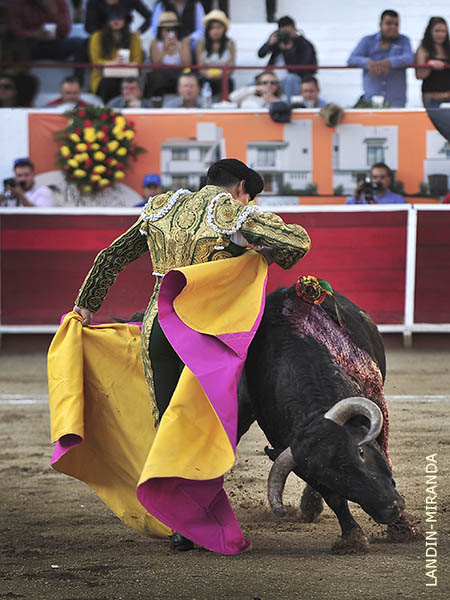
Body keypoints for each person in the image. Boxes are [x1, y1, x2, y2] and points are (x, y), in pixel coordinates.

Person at [71, 157, 311, 553]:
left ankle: (180, 526)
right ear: (240, 188)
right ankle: (201, 516)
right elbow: (297, 241)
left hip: (158, 331)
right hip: (205, 336)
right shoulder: (231, 211)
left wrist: (85, 305)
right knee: (203, 427)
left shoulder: (161, 206)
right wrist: (265, 253)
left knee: (168, 425)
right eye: (247, 196)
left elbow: (110, 257)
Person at [8, 0, 87, 85]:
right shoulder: (16, 3)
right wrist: (34, 35)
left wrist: (53, 11)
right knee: (18, 46)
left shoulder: (59, 2)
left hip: (53, 44)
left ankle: (77, 84)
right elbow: (14, 31)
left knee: (79, 43)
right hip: (28, 46)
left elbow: (65, 30)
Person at [347, 9, 414, 108]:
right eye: (389, 23)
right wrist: (369, 63)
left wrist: (388, 63)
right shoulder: (367, 40)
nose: (393, 27)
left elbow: (409, 58)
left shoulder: (404, 40)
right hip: (371, 100)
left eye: (396, 24)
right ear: (380, 25)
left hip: (396, 101)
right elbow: (352, 59)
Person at [89, 6, 143, 104]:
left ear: (125, 20)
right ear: (107, 20)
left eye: (119, 17)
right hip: (103, 76)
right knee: (108, 83)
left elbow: (137, 60)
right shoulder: (97, 37)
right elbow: (95, 61)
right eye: (112, 17)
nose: (116, 21)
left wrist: (127, 65)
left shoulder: (134, 38)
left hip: (128, 74)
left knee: (131, 84)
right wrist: (112, 63)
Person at [257, 15, 317, 102]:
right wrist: (269, 44)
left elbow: (301, 69)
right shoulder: (278, 40)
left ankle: (288, 106)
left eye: (288, 31)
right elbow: (260, 54)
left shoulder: (304, 45)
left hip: (294, 79)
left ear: (294, 29)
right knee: (257, 81)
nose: (286, 34)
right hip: (273, 79)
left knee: (290, 79)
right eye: (283, 31)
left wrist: (288, 50)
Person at [145, 11, 191, 99]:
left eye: (172, 30)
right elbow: (155, 65)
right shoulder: (155, 43)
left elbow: (187, 65)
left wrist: (177, 46)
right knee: (155, 77)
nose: (169, 33)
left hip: (178, 72)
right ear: (161, 31)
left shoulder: (183, 43)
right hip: (161, 73)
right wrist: (164, 48)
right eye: (166, 30)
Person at [196, 9, 236, 98]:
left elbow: (231, 66)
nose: (215, 31)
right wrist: (209, 74)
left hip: (224, 77)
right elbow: (200, 67)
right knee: (200, 82)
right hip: (206, 78)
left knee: (229, 82)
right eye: (212, 28)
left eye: (218, 27)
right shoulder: (201, 43)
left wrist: (221, 74)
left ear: (224, 29)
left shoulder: (230, 43)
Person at [415, 17, 450, 108]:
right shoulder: (423, 49)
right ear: (430, 31)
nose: (440, 34)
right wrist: (429, 65)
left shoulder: (448, 48)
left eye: (443, 31)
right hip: (432, 98)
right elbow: (419, 75)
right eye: (437, 31)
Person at [85, 0, 152, 35]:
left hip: (124, 39)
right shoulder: (94, 2)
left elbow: (150, 17)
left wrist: (138, 32)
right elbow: (88, 26)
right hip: (100, 39)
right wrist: (101, 37)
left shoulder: (130, 1)